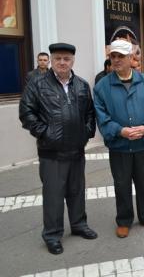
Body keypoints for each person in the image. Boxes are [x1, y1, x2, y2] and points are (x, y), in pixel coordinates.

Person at [19, 43, 97, 255]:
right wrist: (45, 132)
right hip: (51, 153)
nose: (62, 62)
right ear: (51, 60)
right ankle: (52, 235)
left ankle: (79, 225)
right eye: (58, 58)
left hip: (76, 151)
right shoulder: (37, 84)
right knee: (53, 195)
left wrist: (87, 132)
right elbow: (26, 113)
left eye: (66, 59)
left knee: (76, 191)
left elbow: (90, 112)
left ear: (73, 61)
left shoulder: (81, 85)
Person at [94, 39, 144, 239]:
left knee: (142, 182)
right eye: (113, 56)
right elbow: (102, 117)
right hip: (119, 145)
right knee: (121, 184)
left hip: (141, 144)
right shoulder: (102, 87)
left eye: (120, 56)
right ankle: (124, 220)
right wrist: (120, 131)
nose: (116, 60)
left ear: (131, 58)